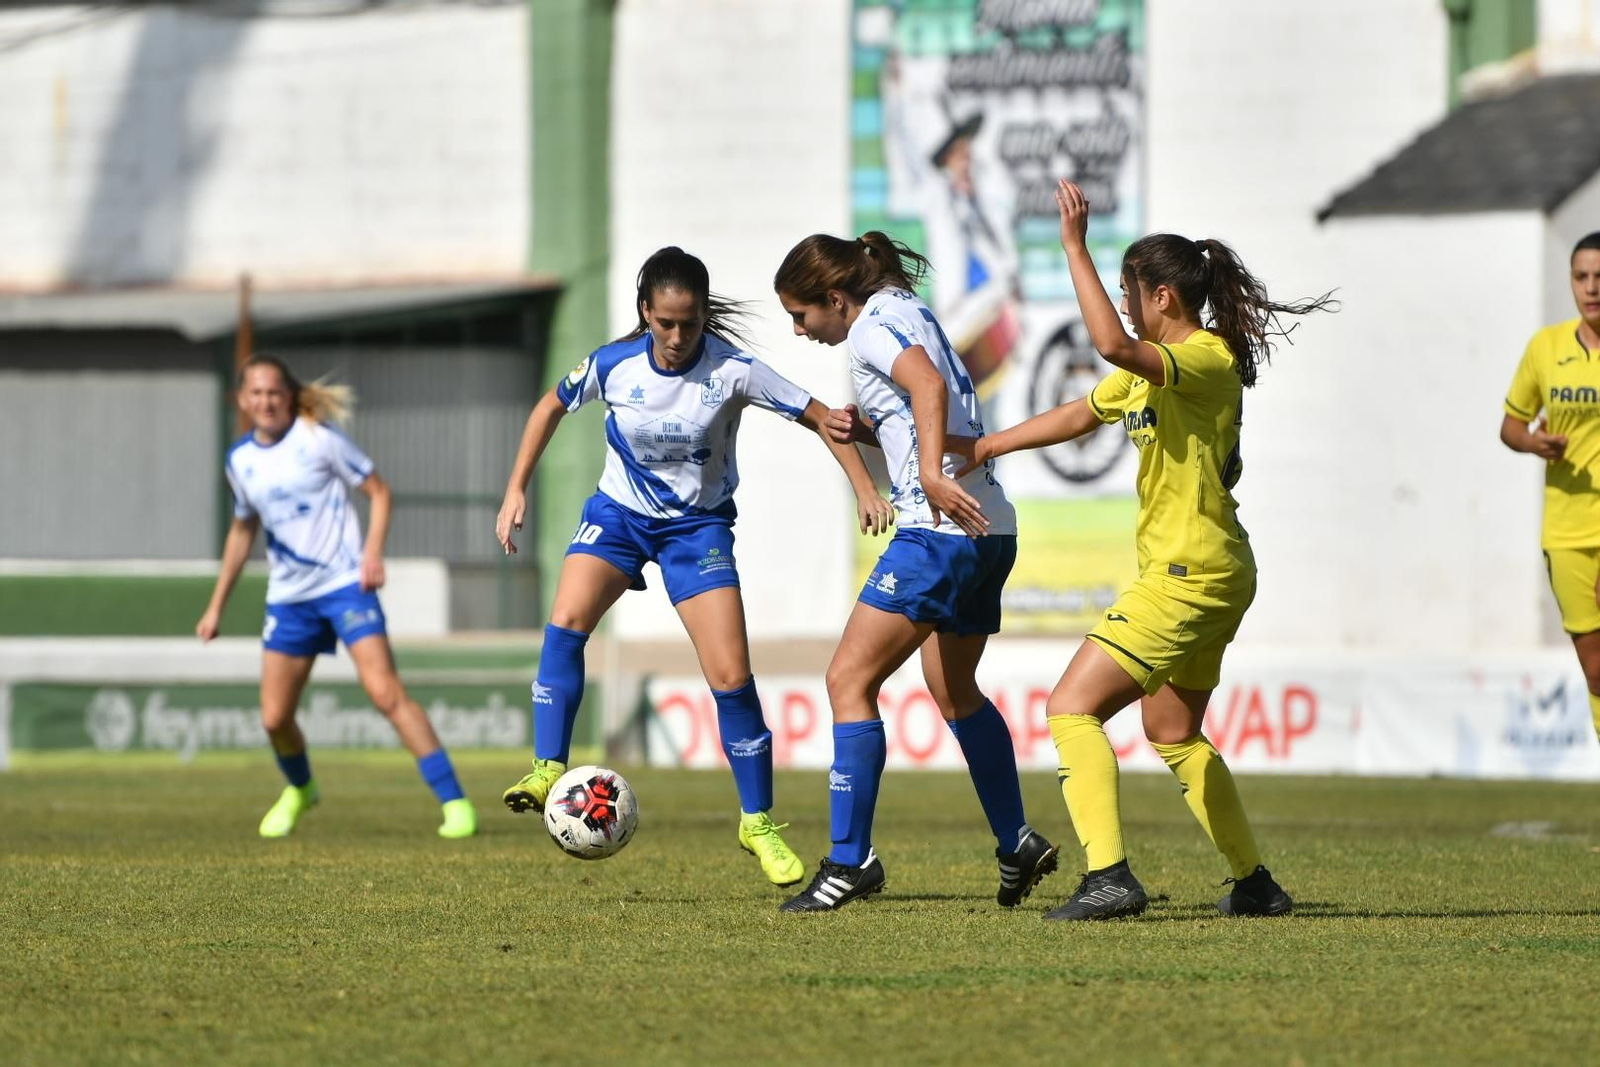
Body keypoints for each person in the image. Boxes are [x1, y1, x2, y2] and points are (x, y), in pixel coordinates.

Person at [961, 180, 1334, 920]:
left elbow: (1109, 343)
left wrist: (1073, 247)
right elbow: (1079, 410)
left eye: (1132, 292)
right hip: (1213, 571)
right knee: (1173, 730)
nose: (1126, 306)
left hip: (1189, 573)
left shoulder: (1205, 358)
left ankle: (1109, 875)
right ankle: (1254, 882)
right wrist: (988, 443)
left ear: (1162, 295)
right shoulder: (1150, 372)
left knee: (1070, 708)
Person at [495, 246, 893, 889]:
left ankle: (757, 822)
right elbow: (548, 407)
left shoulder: (733, 369)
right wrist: (516, 489)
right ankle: (548, 766)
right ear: (645, 313)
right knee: (566, 621)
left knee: (731, 675)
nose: (678, 337)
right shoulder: (611, 365)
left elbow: (826, 418)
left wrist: (865, 489)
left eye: (690, 322)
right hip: (618, 518)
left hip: (697, 531)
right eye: (666, 323)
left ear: (704, 314)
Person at [771, 230, 1059, 913]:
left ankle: (849, 861)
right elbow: (925, 403)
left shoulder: (872, 325)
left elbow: (926, 385)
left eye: (801, 314)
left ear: (836, 298)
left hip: (938, 533)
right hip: (991, 528)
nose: (798, 328)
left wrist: (927, 474)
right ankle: (1015, 839)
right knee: (954, 688)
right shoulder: (908, 308)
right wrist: (874, 434)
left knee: (848, 679)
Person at [197, 355, 477, 840]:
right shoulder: (239, 461)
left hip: (345, 584)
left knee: (386, 694)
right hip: (289, 598)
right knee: (274, 718)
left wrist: (372, 553)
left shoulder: (317, 438)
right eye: (256, 393)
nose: (265, 401)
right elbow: (243, 530)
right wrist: (216, 605)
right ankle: (301, 789)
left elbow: (379, 490)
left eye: (274, 392)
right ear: (242, 400)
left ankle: (455, 803)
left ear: (288, 396)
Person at [1501, 231, 1600, 745]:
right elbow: (1511, 426)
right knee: (1596, 672)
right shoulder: (1546, 347)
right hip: (1565, 528)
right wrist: (1534, 443)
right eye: (1581, 277)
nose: (1591, 288)